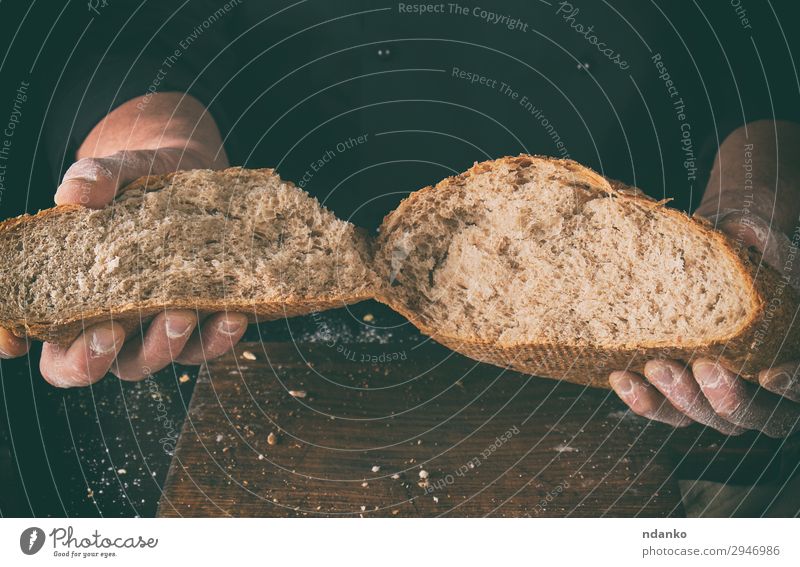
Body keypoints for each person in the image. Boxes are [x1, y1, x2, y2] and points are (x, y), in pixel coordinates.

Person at [0, 0, 798, 439]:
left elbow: (753, 39)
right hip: (238, 374)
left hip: (626, 417)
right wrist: (156, 142)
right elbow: (103, 29)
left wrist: (757, 202)